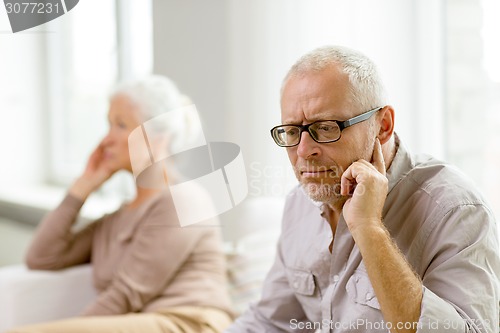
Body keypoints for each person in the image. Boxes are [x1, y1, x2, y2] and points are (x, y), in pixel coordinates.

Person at [226, 46, 500, 333]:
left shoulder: (455, 209)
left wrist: (369, 229)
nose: (304, 151)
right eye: (292, 132)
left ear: (383, 125)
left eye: (326, 127)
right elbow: (271, 321)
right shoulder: (300, 203)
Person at [9, 76, 234, 333]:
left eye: (120, 125)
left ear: (156, 139)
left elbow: (126, 295)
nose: (107, 139)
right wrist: (83, 186)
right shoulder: (117, 219)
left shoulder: (185, 200)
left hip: (188, 323)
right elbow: (42, 258)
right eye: (109, 125)